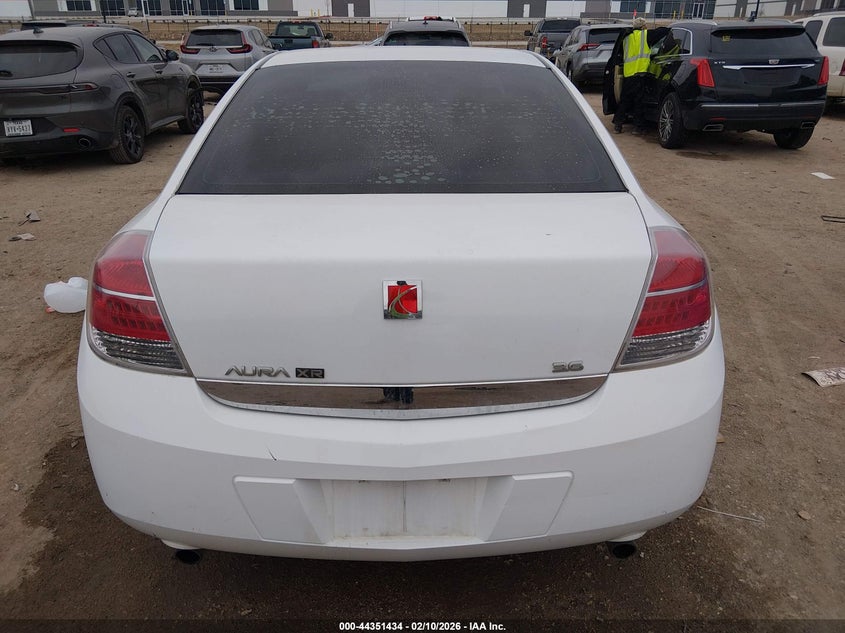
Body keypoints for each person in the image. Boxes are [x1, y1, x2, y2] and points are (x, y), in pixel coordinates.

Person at [612, 17, 650, 135]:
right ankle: (637, 127)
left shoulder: (626, 38)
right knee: (639, 101)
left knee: (625, 100)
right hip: (640, 73)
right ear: (643, 26)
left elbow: (620, 53)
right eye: (645, 25)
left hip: (628, 74)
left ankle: (618, 125)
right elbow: (662, 32)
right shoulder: (645, 35)